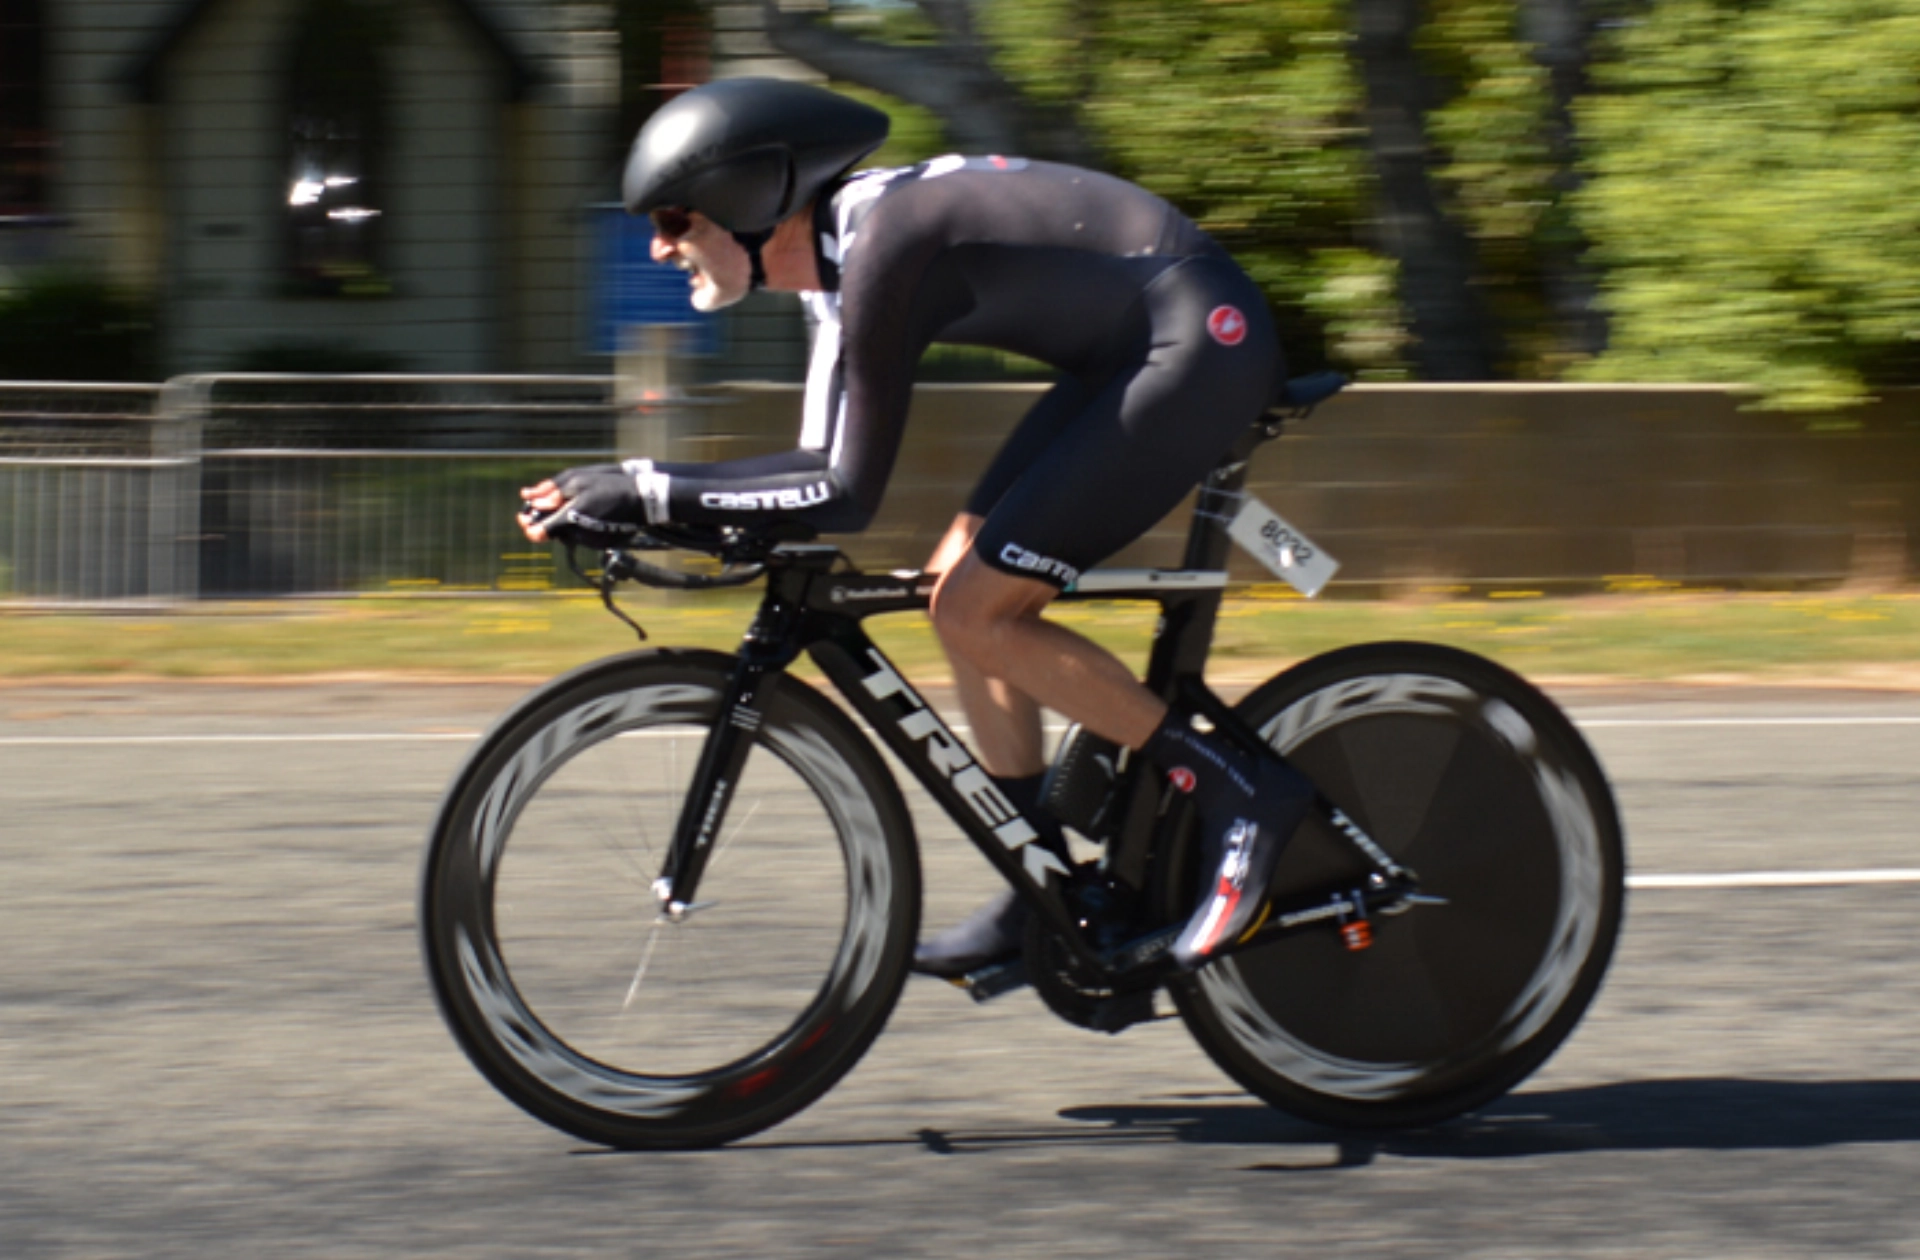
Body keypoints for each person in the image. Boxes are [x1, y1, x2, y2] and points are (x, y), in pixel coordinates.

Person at [518, 77, 1313, 977]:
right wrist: (642, 492)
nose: (660, 248)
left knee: (977, 609)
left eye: (674, 219)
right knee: (954, 583)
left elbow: (843, 493)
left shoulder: (882, 243)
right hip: (1128, 350)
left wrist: (645, 491)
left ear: (750, 198)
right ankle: (1038, 887)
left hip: (1198, 339)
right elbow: (813, 466)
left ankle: (1241, 791)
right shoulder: (839, 267)